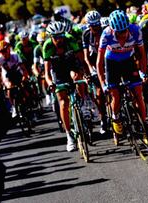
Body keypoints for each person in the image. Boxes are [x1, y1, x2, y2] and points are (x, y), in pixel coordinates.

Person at [96, 10, 148, 143]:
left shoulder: (135, 30)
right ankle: (115, 117)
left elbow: (142, 54)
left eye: (124, 31)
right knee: (115, 95)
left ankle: (144, 128)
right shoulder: (106, 34)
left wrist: (143, 72)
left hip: (128, 60)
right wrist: (103, 83)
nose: (123, 35)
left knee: (139, 94)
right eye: (119, 32)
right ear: (113, 30)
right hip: (112, 62)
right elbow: (99, 62)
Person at [43, 21, 87, 152]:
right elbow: (47, 72)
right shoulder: (47, 46)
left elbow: (81, 60)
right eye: (56, 37)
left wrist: (85, 74)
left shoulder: (70, 40)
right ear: (51, 37)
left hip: (70, 64)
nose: (59, 39)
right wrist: (50, 83)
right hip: (57, 70)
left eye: (61, 36)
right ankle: (69, 136)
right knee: (63, 102)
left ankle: (82, 104)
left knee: (77, 77)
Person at [82, 10, 108, 133]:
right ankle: (103, 118)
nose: (96, 28)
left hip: (107, 59)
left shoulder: (105, 31)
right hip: (93, 61)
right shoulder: (86, 35)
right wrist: (92, 69)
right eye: (93, 26)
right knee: (99, 93)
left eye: (97, 25)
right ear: (89, 26)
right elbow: (86, 57)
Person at [0, 40, 29, 118]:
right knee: (9, 87)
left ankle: (28, 105)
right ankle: (14, 107)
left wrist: (24, 77)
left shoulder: (15, 55)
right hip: (7, 75)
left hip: (17, 72)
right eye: (1, 51)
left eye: (4, 51)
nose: (3, 53)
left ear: (9, 49)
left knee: (25, 88)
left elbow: (23, 69)